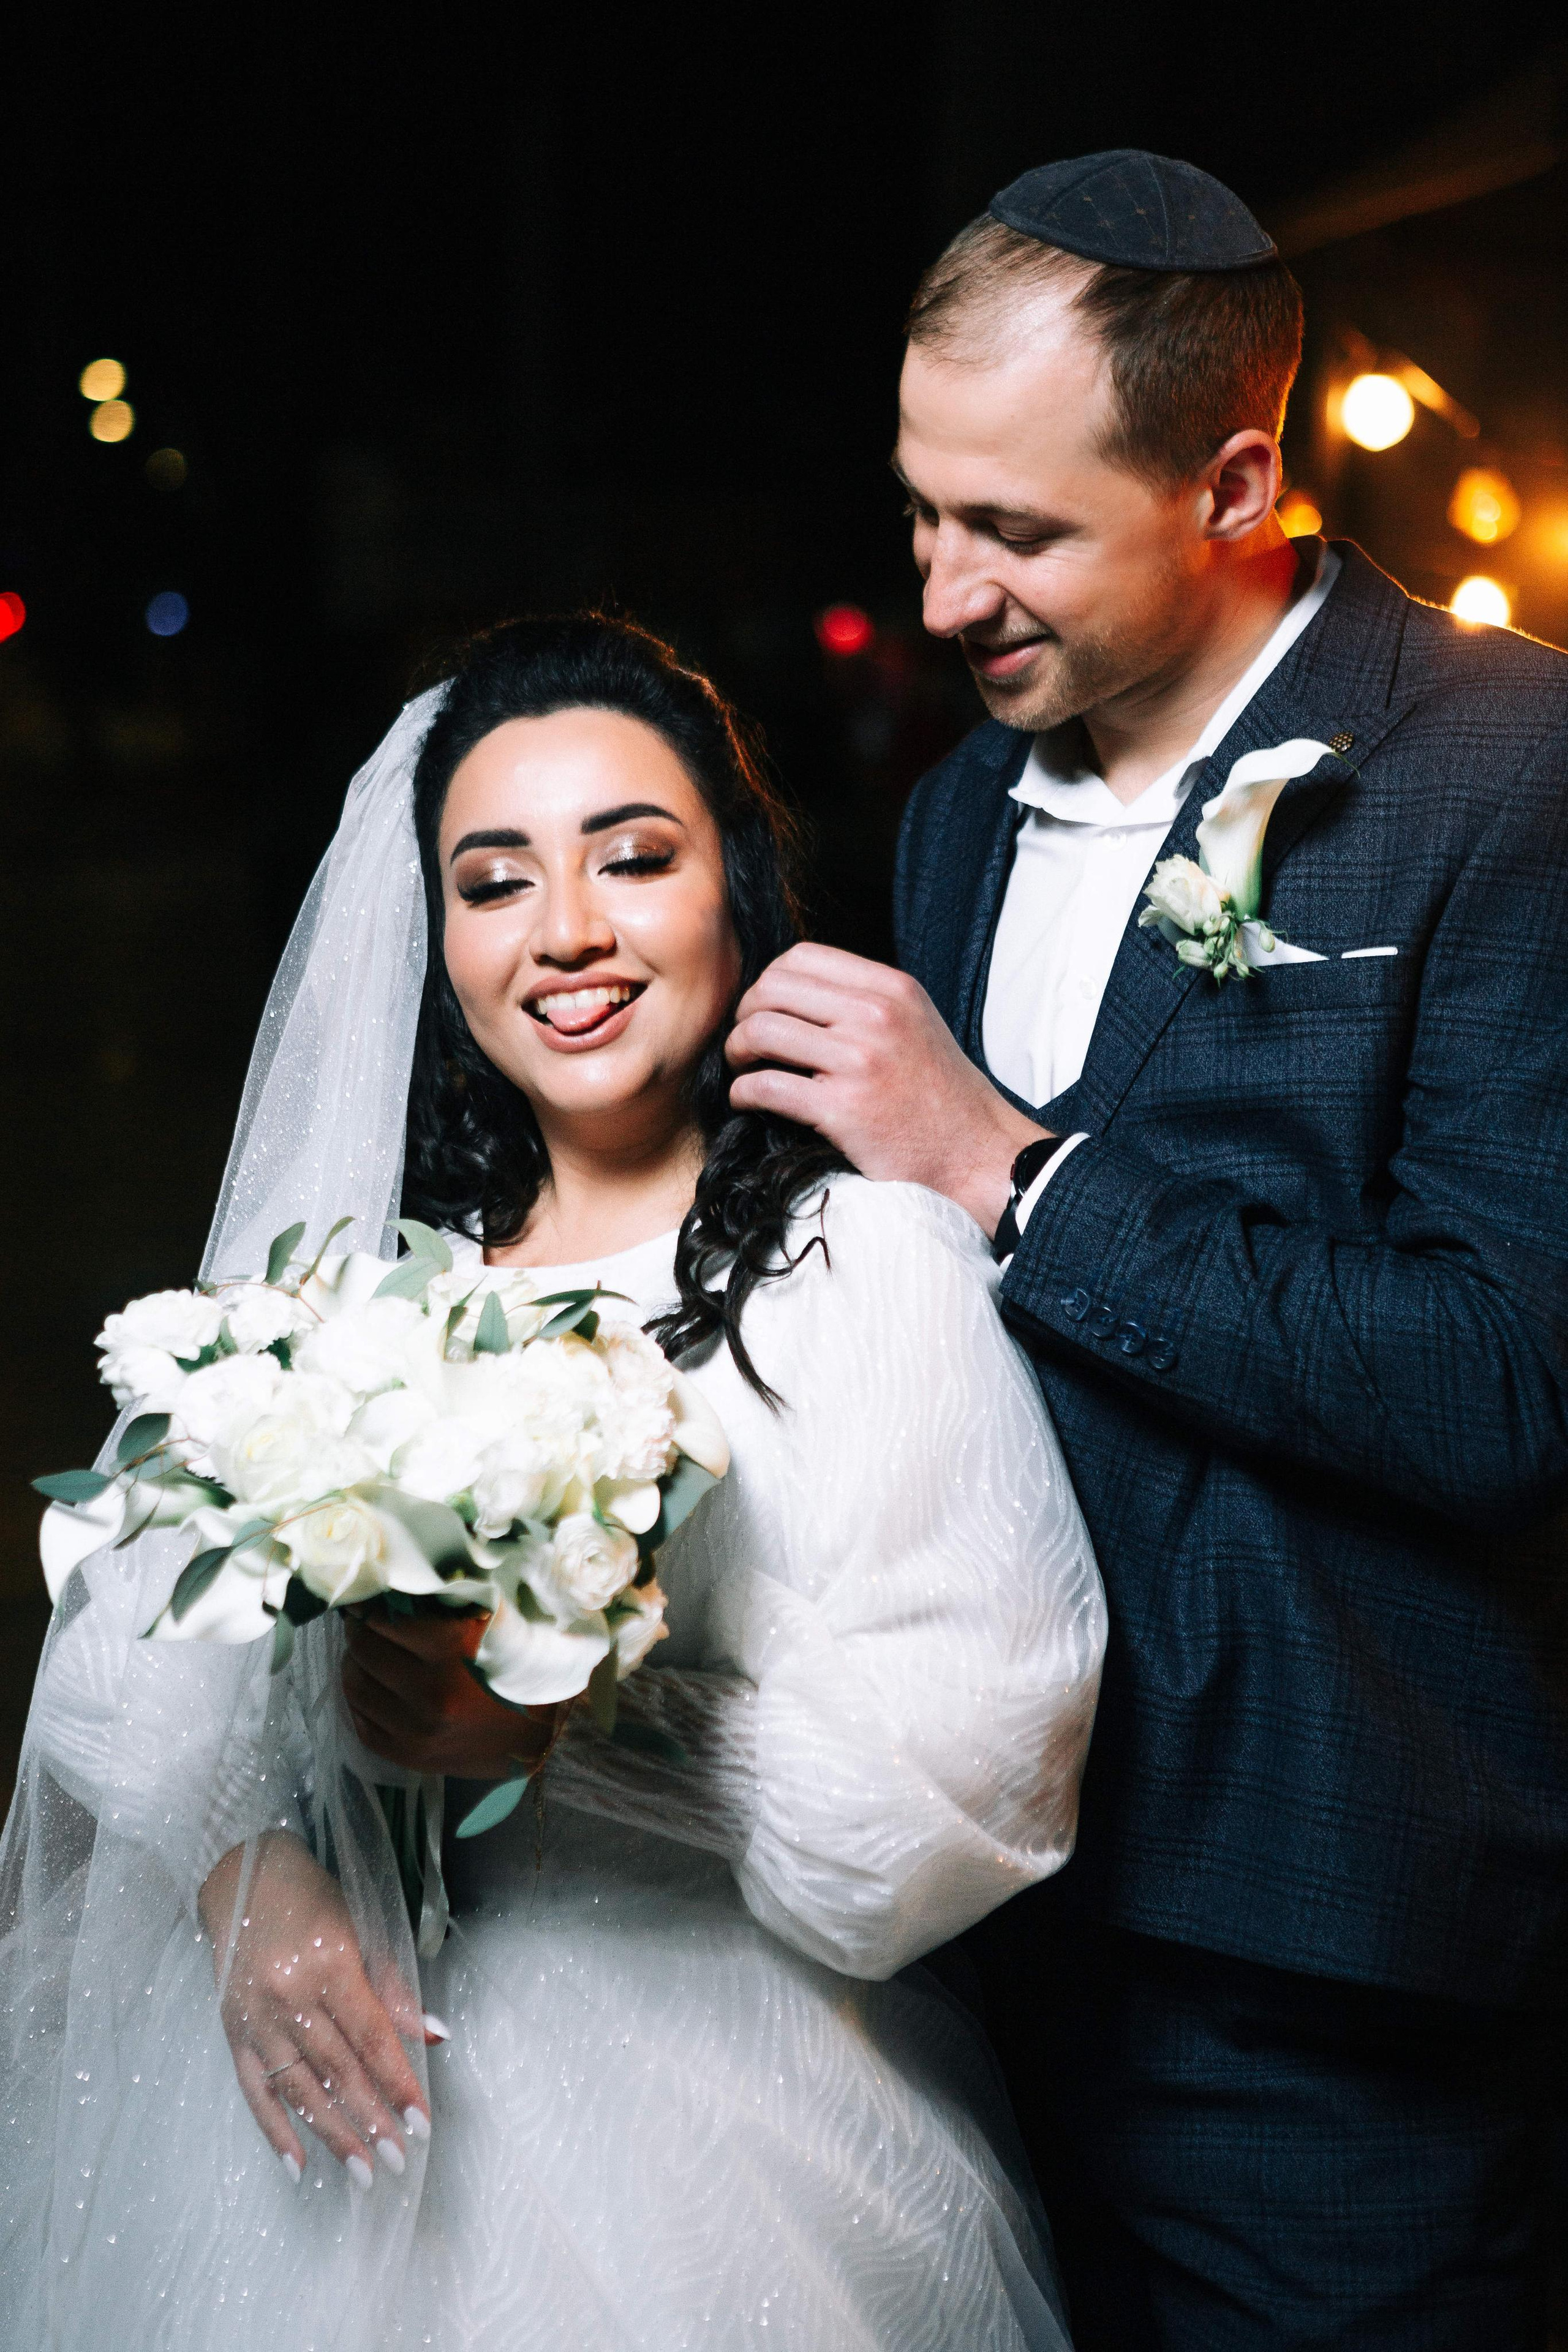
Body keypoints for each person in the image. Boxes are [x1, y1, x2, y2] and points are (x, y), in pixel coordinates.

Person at [0, 613, 1105, 2350]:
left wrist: (572, 1719)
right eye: (494, 882)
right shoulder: (363, 1284)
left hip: (727, 2128)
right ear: (436, 940)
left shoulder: (866, 1272)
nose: (567, 931)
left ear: (736, 892)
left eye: (634, 860)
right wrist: (244, 1876)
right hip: (325, 2132)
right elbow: (120, 1645)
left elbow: (971, 1799)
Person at [725, 151, 1568, 2347]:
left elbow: (1507, 1386)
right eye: (923, 514)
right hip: (968, 1923)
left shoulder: (1511, 769)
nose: (942, 594)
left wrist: (1016, 1174)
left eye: (1013, 531)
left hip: (1314, 1952)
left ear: (1237, 486)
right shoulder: (956, 815)